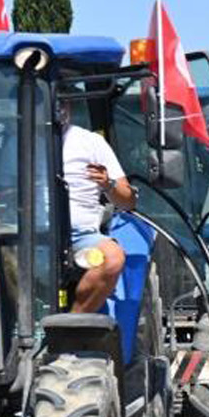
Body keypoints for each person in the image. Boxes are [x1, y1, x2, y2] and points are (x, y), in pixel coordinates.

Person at [59, 103, 138, 313]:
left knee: (112, 258)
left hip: (80, 236)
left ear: (68, 106)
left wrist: (108, 183)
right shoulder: (17, 141)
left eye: (62, 101)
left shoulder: (90, 141)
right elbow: (4, 191)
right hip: (27, 232)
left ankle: (73, 325)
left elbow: (128, 201)